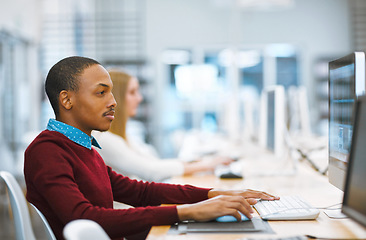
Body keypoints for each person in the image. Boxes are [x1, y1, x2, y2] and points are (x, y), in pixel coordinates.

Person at [24, 56, 279, 240]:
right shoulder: (47, 151)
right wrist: (188, 212)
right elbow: (85, 217)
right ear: (66, 99)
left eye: (112, 93)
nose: (113, 102)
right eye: (101, 93)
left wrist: (212, 194)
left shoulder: (83, 147)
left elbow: (140, 192)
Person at [93, 69, 233, 182]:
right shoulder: (104, 139)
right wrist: (205, 165)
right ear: (116, 98)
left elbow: (153, 162)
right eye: (132, 92)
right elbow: (151, 171)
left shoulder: (124, 135)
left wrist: (194, 163)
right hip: (125, 209)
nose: (139, 98)